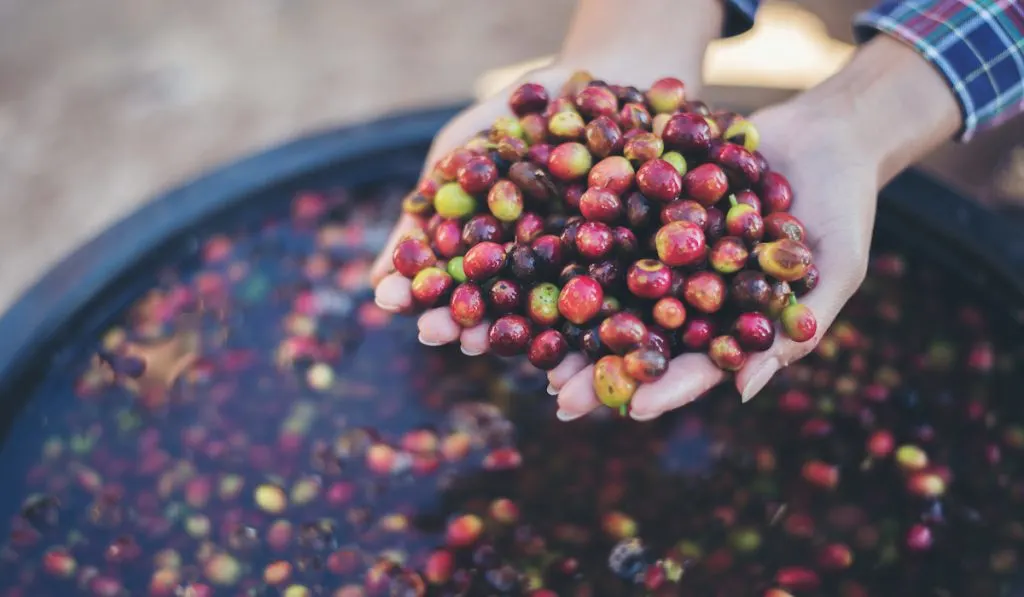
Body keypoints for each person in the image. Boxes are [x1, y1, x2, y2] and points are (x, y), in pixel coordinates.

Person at [371, 0, 1024, 422]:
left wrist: (871, 117)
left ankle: (943, 143)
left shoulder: (703, 232)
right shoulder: (582, 201)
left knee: (946, 153)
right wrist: (646, 20)